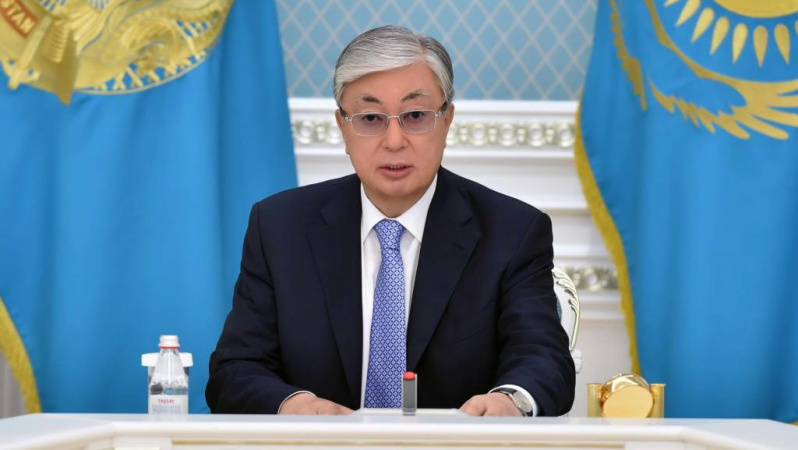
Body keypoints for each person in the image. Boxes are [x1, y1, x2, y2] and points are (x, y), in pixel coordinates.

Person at [206, 25, 574, 417]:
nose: (394, 141)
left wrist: (510, 402)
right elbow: (235, 371)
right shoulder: (281, 227)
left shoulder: (511, 231)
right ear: (343, 127)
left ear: (447, 121)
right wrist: (294, 406)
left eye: (415, 115)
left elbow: (544, 359)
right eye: (370, 118)